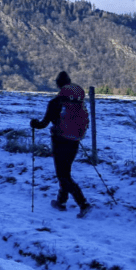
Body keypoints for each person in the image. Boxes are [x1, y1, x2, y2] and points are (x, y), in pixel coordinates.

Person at [30, 71, 93, 218]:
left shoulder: (54, 103)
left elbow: (43, 124)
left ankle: (83, 204)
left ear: (58, 85)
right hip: (75, 141)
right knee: (66, 172)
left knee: (62, 175)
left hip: (60, 142)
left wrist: (34, 124)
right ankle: (61, 202)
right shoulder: (78, 103)